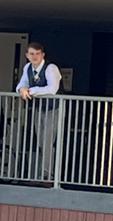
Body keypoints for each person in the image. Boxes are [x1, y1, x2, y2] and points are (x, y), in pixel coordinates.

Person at [15, 42, 62, 181]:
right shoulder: (27, 67)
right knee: (41, 140)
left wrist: (31, 91)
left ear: (43, 55)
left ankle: (48, 175)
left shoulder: (50, 68)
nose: (34, 56)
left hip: (54, 108)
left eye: (37, 53)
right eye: (31, 54)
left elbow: (52, 89)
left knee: (47, 140)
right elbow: (22, 83)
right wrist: (22, 89)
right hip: (38, 108)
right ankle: (44, 172)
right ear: (27, 55)